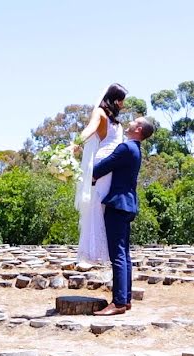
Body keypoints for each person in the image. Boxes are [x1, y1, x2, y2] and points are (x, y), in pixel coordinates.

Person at [90, 117, 156, 316]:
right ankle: (125, 300)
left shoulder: (125, 148)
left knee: (117, 254)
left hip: (118, 205)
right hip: (128, 205)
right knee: (124, 254)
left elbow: (102, 168)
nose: (130, 121)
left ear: (138, 129)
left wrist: (84, 172)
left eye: (135, 121)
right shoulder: (135, 149)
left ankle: (118, 302)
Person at [73, 84, 127, 264]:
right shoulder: (100, 113)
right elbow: (89, 130)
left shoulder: (114, 120)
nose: (122, 105)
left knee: (105, 204)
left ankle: (104, 250)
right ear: (112, 99)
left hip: (115, 163)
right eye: (121, 101)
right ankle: (94, 251)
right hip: (104, 162)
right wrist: (76, 144)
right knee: (97, 203)